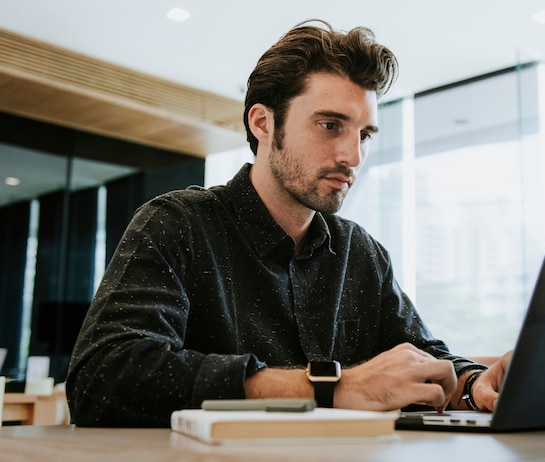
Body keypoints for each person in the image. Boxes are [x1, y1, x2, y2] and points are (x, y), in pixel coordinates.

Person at [66, 19, 511, 427]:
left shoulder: (362, 253)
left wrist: (476, 384)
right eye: (330, 125)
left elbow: (424, 357)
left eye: (364, 135)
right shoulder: (177, 224)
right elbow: (103, 378)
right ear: (263, 123)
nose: (353, 156)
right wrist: (330, 388)